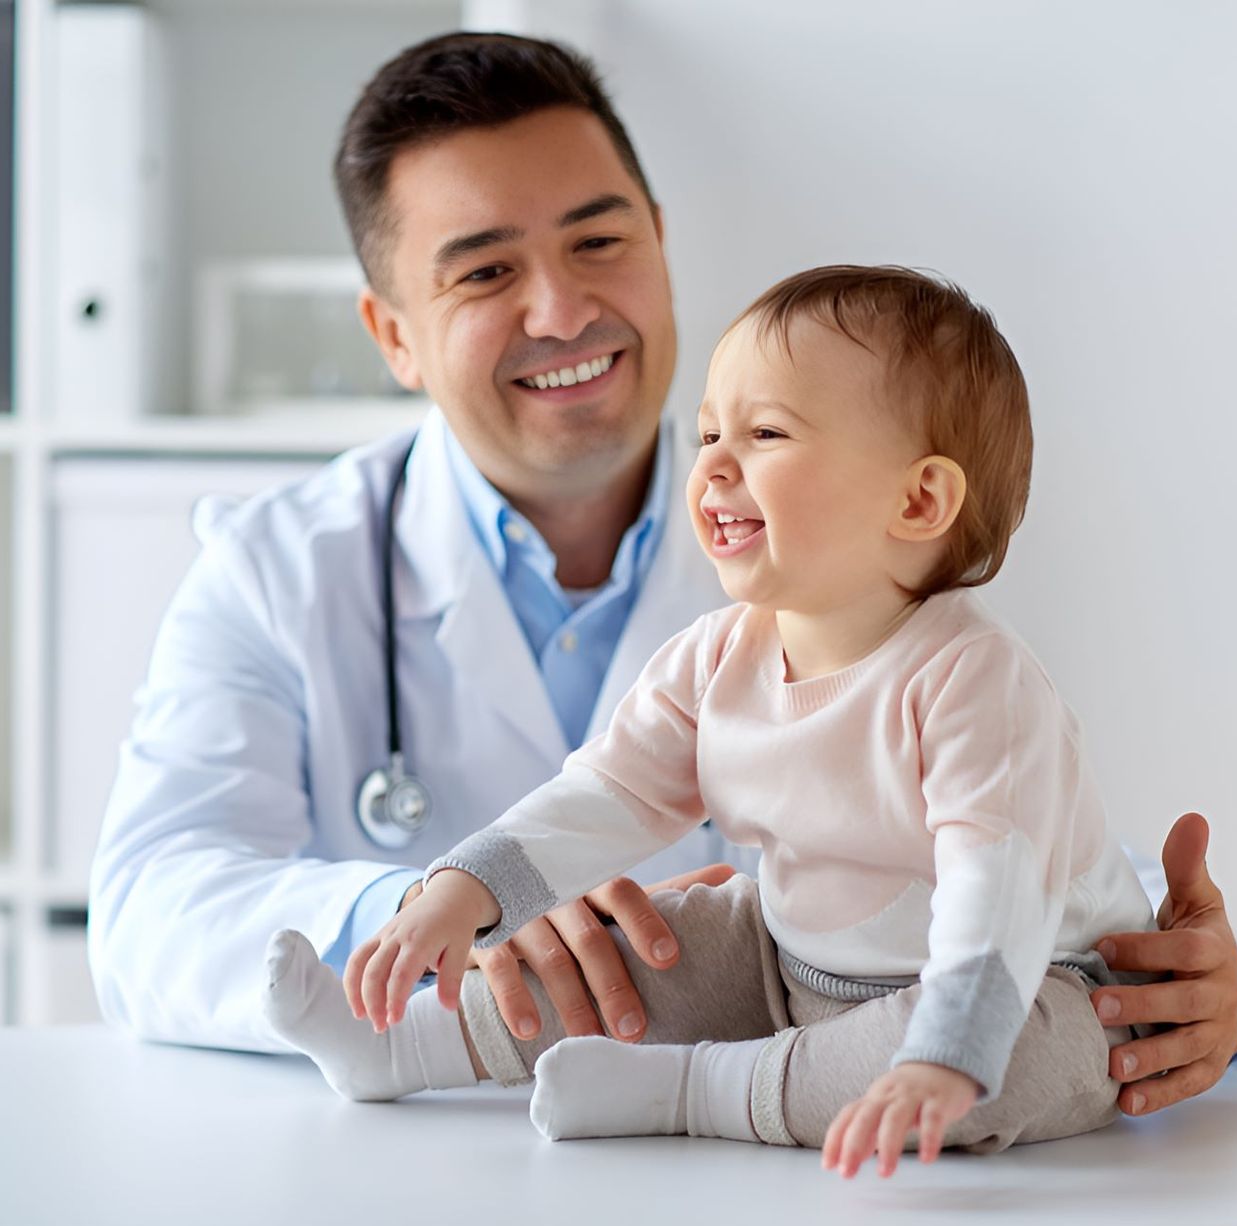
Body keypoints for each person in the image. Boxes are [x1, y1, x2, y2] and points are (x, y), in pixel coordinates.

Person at [88, 32, 1237, 1122]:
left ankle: (701, 1090)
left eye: (599, 241)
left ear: (660, 246)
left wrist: (1218, 995)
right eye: (485, 273)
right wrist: (439, 921)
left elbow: (1009, 844)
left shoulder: (858, 561)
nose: (563, 308)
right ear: (393, 332)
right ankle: (403, 1046)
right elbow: (152, 904)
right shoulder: (275, 567)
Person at [264, 264, 1176, 1180]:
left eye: (766, 433)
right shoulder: (719, 655)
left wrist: (947, 1053)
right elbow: (606, 794)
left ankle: (691, 1091)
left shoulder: (975, 679)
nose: (711, 467)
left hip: (1026, 984)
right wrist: (464, 891)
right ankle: (399, 1051)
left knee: (1008, 1062)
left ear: (918, 501)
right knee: (649, 947)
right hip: (793, 962)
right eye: (708, 433)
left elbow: (997, 888)